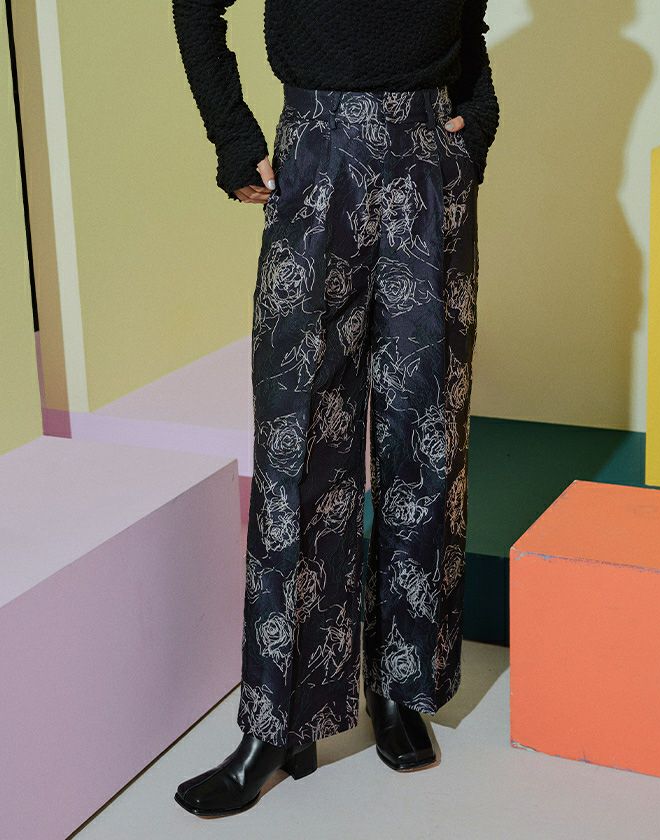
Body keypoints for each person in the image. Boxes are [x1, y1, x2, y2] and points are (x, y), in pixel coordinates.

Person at [171, 0, 499, 818]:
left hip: (429, 161)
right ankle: (279, 725)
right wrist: (233, 135)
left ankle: (400, 686)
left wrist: (478, 114)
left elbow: (469, 21)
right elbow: (195, 6)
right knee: (298, 441)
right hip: (318, 154)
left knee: (426, 434)